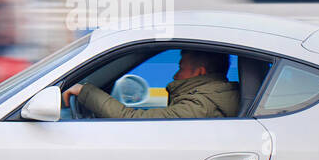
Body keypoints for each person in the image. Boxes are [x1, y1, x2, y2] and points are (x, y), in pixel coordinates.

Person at [62, 50, 239, 119]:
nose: (175, 75)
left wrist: (83, 91)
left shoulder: (200, 107)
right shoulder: (212, 98)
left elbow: (133, 119)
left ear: (199, 72)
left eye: (181, 68)